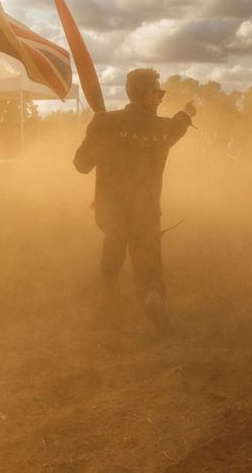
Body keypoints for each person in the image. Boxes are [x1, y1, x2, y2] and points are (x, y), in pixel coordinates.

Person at [73, 68, 197, 333]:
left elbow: (81, 165)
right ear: (150, 95)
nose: (162, 99)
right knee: (147, 258)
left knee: (115, 237)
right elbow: (178, 125)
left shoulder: (104, 123)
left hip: (108, 209)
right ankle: (152, 296)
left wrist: (97, 133)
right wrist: (187, 113)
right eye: (160, 93)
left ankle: (109, 294)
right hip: (146, 212)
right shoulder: (162, 130)